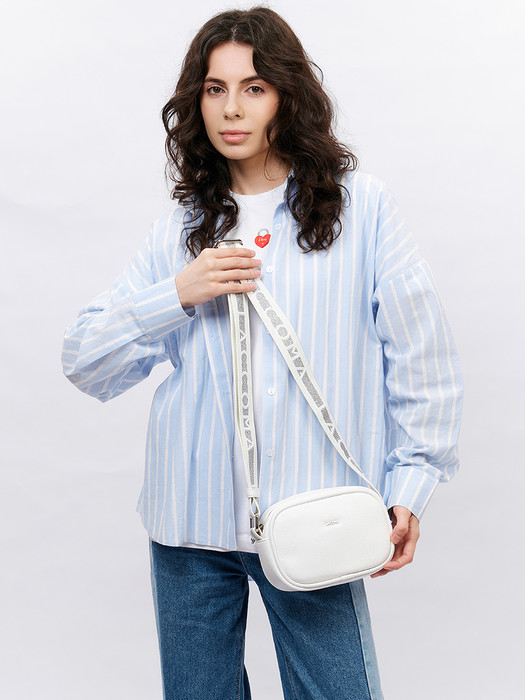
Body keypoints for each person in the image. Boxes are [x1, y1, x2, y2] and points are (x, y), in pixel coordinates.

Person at [62, 7, 463, 699]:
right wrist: (177, 294)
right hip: (190, 524)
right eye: (214, 89)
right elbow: (86, 362)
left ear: (286, 95)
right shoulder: (180, 233)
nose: (231, 109)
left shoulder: (361, 210)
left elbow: (422, 356)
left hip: (317, 517)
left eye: (253, 87)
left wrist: (411, 484)